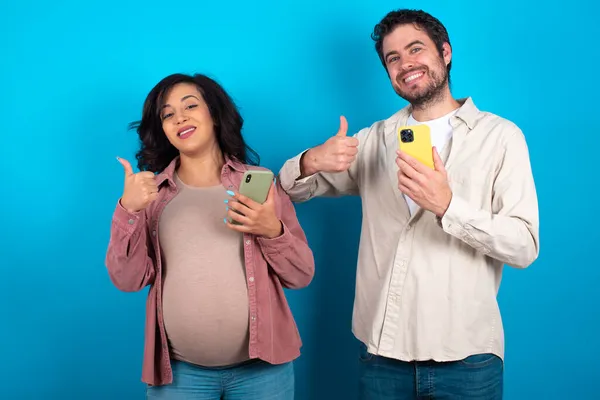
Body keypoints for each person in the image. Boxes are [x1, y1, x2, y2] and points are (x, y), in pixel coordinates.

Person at [278, 9, 539, 400]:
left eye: (415, 49)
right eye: (393, 58)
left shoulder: (501, 137)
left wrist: (449, 206)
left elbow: (524, 245)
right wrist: (311, 160)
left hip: (467, 359)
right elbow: (293, 190)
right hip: (383, 357)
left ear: (445, 53)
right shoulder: (375, 139)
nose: (405, 64)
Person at [105, 73, 314, 399]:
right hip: (180, 375)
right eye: (168, 114)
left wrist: (271, 230)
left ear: (214, 115)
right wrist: (128, 212)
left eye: (190, 106)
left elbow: (301, 274)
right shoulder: (151, 195)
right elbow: (127, 280)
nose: (180, 117)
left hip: (263, 372)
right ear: (163, 129)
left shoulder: (259, 184)